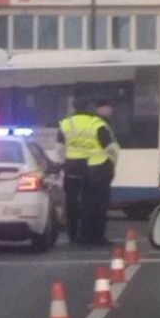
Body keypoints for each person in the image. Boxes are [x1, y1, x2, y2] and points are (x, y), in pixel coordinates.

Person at [57, 95, 96, 244]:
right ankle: (87, 233)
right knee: (88, 202)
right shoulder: (93, 123)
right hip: (89, 168)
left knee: (71, 203)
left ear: (73, 107)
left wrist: (63, 162)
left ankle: (72, 234)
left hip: (71, 168)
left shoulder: (65, 124)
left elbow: (60, 148)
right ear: (87, 108)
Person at [83, 99, 120, 245]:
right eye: (110, 107)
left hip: (87, 169)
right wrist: (113, 160)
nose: (112, 111)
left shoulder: (90, 123)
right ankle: (98, 236)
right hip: (101, 168)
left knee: (88, 205)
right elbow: (111, 148)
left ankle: (87, 236)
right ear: (102, 108)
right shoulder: (101, 125)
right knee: (101, 205)